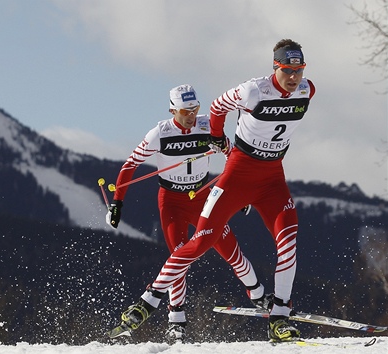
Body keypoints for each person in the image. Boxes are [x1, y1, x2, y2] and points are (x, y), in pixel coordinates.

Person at [113, 39, 315, 342]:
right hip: (229, 182)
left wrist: (219, 141)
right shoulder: (253, 91)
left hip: (271, 181)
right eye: (288, 70)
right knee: (199, 244)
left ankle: (279, 314)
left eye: (299, 70)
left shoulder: (307, 89)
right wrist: (117, 202)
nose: (294, 77)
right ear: (276, 66)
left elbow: (217, 126)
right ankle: (151, 303)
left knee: (286, 242)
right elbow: (219, 106)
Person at [106, 84, 264, 343]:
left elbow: (234, 156)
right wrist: (117, 203)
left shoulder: (207, 126)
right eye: (184, 111)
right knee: (179, 257)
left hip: (203, 197)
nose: (191, 115)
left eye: (195, 109)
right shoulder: (160, 133)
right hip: (172, 202)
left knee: (230, 250)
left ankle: (258, 295)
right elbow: (129, 165)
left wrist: (240, 191)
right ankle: (176, 319)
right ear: (172, 110)